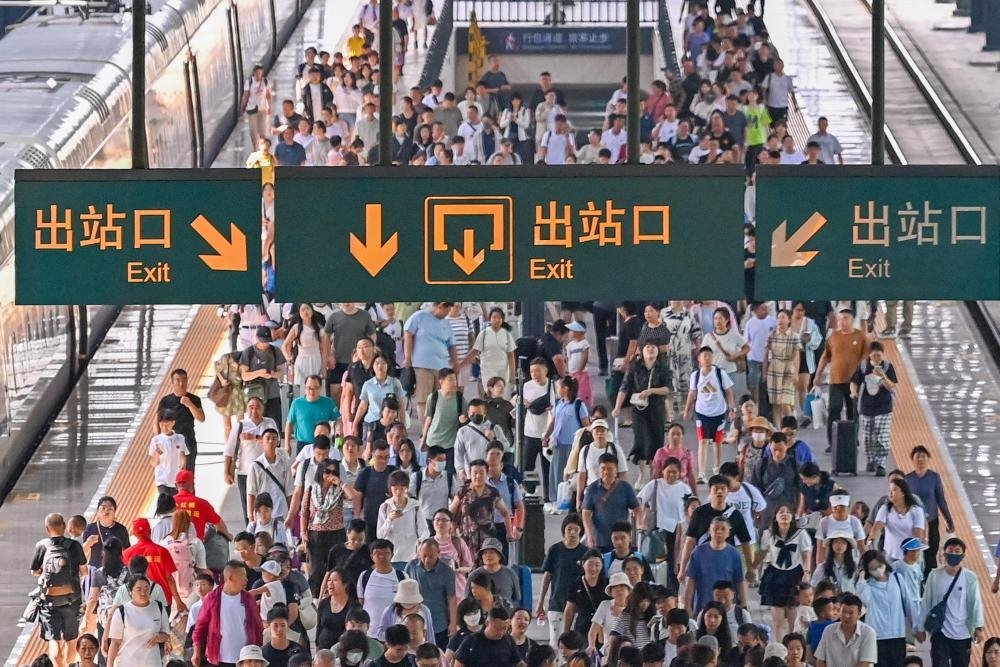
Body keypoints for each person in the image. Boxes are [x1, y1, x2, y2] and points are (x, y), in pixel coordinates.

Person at [30, 513, 89, 667]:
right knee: (71, 640)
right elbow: (84, 572)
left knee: (53, 640)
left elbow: (34, 571)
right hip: (72, 601)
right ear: (63, 526)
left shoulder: (42, 546)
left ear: (47, 529)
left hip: (49, 602)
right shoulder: (74, 546)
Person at [918, 537, 985, 666]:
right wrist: (920, 627)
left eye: (957, 551)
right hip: (940, 631)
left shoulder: (970, 578)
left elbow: (976, 603)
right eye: (950, 550)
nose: (953, 553)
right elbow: (926, 601)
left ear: (963, 555)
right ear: (944, 553)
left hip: (963, 634)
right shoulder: (934, 575)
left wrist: (978, 627)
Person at [613, 343, 670, 486]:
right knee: (641, 440)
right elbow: (624, 387)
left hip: (656, 409)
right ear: (642, 351)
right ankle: (642, 474)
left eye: (653, 347)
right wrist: (617, 407)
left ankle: (653, 474)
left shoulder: (662, 367)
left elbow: (668, 388)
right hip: (638, 410)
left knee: (656, 442)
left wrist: (651, 391)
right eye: (647, 347)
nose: (650, 349)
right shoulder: (635, 367)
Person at [302, 457, 359, 596]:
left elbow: (353, 496)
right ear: (321, 472)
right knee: (317, 570)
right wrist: (303, 532)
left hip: (335, 533)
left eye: (334, 472)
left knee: (336, 568)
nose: (330, 475)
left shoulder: (339, 490)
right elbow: (304, 512)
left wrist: (340, 483)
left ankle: (335, 595)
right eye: (327, 472)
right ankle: (316, 597)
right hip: (316, 534)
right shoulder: (312, 489)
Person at [812, 309, 868, 451]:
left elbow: (866, 359)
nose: (842, 322)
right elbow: (825, 357)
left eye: (845, 318)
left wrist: (865, 378)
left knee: (852, 411)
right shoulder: (833, 337)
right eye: (840, 319)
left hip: (853, 382)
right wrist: (818, 375)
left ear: (853, 319)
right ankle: (833, 442)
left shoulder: (861, 336)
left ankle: (852, 439)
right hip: (836, 380)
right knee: (834, 410)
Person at [754, 505, 812, 639]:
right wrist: (752, 569)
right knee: (777, 619)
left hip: (794, 574)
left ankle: (792, 642)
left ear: (792, 517)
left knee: (793, 616)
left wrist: (807, 572)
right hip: (775, 575)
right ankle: (778, 644)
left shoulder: (800, 534)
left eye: (788, 512)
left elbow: (806, 554)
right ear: (775, 517)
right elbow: (762, 553)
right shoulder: (769, 534)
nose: (784, 514)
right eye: (781, 512)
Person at [191, 561, 264, 667]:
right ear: (230, 577)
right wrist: (196, 652)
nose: (246, 580)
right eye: (242, 576)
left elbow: (258, 626)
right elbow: (200, 628)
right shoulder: (212, 598)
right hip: (217, 659)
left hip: (245, 660)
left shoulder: (248, 599)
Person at [684, 346, 736, 484]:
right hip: (702, 413)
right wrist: (687, 409)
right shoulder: (695, 376)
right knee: (703, 441)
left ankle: (717, 468)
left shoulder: (720, 373)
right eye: (704, 355)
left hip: (718, 412)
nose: (707, 358)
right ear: (699, 359)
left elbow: (729, 391)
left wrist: (732, 409)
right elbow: (692, 393)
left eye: (709, 355)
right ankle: (701, 473)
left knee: (717, 442)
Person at [225, 397, 279, 524]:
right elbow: (229, 450)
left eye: (257, 407)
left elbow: (276, 442)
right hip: (245, 472)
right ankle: (250, 530)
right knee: (248, 507)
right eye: (251, 407)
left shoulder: (269, 423)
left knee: (267, 505)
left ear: (263, 409)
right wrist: (226, 472)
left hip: (267, 472)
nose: (254, 411)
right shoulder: (240, 425)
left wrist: (255, 437)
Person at [905, 446, 954, 577]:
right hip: (914, 524)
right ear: (912, 460)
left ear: (928, 459)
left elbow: (941, 500)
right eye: (917, 457)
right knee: (915, 553)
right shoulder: (908, 479)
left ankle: (930, 580)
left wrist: (949, 520)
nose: (920, 459)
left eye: (923, 457)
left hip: (931, 521)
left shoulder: (934, 477)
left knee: (931, 553)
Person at [849, 341, 897, 476]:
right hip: (867, 407)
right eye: (874, 355)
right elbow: (854, 382)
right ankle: (871, 460)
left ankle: (881, 464)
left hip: (884, 407)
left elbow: (891, 386)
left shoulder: (888, 367)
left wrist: (883, 376)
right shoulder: (863, 366)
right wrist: (853, 392)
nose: (876, 358)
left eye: (879, 355)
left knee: (882, 435)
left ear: (883, 355)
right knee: (868, 436)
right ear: (869, 355)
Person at [684, 517, 747, 614]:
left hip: (727, 608)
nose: (719, 532)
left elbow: (740, 581)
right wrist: (687, 606)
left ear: (729, 532)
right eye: (715, 529)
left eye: (723, 529)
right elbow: (690, 581)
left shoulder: (734, 554)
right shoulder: (698, 553)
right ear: (710, 531)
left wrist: (744, 605)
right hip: (703, 607)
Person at [581, 454, 638, 551]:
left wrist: (634, 532)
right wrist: (589, 535)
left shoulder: (625, 487)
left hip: (622, 541)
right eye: (603, 469)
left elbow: (636, 509)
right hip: (599, 541)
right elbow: (586, 514)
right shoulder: (592, 489)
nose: (606, 472)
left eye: (610, 469)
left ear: (616, 470)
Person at [378, 470, 430, 568]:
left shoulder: (415, 506)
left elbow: (424, 530)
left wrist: (421, 541)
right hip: (391, 556)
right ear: (390, 488)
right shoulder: (385, 506)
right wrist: (389, 519)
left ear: (407, 488)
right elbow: (380, 535)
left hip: (411, 556)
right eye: (395, 488)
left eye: (402, 488)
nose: (398, 492)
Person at [868, 477, 925, 562]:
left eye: (894, 490)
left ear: (903, 492)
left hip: (911, 556)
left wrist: (912, 555)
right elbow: (877, 527)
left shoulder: (916, 511)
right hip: (890, 556)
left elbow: (918, 535)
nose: (890, 493)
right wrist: (870, 540)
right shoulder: (885, 509)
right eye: (889, 490)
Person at [158, 368, 205, 471]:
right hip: (170, 442)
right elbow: (157, 422)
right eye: (178, 380)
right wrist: (157, 441)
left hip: (188, 441)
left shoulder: (194, 399)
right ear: (172, 382)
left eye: (184, 380)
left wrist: (190, 404)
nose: (181, 383)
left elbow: (201, 418)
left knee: (187, 474)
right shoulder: (165, 401)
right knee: (171, 474)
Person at [240, 327, 288, 425]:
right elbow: (244, 376)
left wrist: (273, 374)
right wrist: (258, 373)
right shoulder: (248, 352)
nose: (265, 344)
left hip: (272, 394)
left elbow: (282, 371)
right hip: (254, 395)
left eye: (267, 341)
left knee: (274, 423)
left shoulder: (275, 351)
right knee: (255, 424)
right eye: (262, 341)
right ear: (257, 338)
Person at [813, 594, 877, 667]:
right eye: (843, 612)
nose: (846, 616)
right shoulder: (828, 630)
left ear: (859, 614)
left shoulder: (868, 633)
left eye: (851, 613)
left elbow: (865, 663)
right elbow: (820, 660)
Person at [247, 428, 294, 524]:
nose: (271, 441)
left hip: (281, 513)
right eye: (267, 438)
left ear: (278, 442)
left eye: (274, 438)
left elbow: (289, 490)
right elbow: (251, 493)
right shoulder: (255, 466)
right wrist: (251, 518)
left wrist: (291, 515)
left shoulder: (284, 463)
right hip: (263, 515)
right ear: (262, 441)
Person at [285, 374, 339, 455]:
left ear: (320, 388)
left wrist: (338, 431)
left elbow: (338, 419)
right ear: (305, 387)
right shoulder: (297, 403)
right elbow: (289, 423)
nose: (312, 391)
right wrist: (287, 444)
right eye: (309, 388)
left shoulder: (328, 402)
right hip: (303, 444)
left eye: (315, 388)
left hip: (323, 444)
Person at [452, 607, 525, 667]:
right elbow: (458, 664)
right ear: (487, 623)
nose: (501, 632)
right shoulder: (471, 640)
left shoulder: (509, 640)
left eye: (504, 628)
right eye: (497, 628)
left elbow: (518, 663)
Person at [82, 496, 130, 569]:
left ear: (114, 512)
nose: (106, 511)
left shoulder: (121, 529)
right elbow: (82, 553)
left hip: (116, 568)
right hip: (95, 568)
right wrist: (88, 543)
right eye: (103, 508)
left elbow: (127, 551)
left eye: (110, 509)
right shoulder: (90, 528)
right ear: (98, 511)